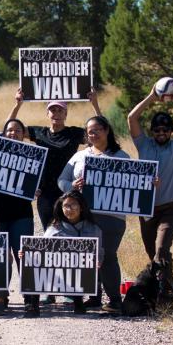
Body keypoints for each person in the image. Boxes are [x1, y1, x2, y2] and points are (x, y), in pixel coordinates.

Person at [127, 86, 173, 303]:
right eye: (157, 130)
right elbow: (132, 117)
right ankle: (171, 289)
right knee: (155, 256)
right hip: (146, 208)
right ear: (152, 131)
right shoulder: (143, 145)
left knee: (161, 249)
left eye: (165, 130)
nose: (161, 134)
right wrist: (151, 96)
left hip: (170, 208)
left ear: (171, 132)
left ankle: (166, 296)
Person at [58, 116, 128, 313]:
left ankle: (115, 299)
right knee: (88, 257)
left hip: (112, 217)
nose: (93, 134)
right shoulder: (79, 156)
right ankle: (95, 298)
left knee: (107, 255)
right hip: (85, 216)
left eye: (97, 129)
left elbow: (135, 186)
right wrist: (71, 186)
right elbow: (61, 180)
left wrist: (151, 185)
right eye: (89, 131)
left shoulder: (121, 157)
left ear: (107, 130)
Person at [9, 88, 102, 229]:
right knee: (50, 232)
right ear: (47, 113)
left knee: (71, 231)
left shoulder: (74, 133)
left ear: (66, 114)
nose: (56, 114)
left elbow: (102, 132)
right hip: (45, 194)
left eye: (60, 110)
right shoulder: (40, 133)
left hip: (69, 191)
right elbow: (10, 130)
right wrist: (17, 105)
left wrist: (95, 104)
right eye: (53, 110)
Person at [0, 119, 38, 315]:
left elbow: (38, 182)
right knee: (0, 257)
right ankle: (1, 297)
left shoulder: (32, 156)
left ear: (23, 134)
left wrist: (37, 189)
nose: (13, 133)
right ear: (3, 133)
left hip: (21, 213)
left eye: (18, 130)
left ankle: (30, 298)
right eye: (9, 130)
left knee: (23, 256)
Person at [37, 191, 104, 317]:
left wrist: (98, 261)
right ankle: (36, 303)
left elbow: (100, 252)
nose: (69, 209)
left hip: (85, 275)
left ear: (81, 207)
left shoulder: (94, 229)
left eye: (73, 205)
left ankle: (88, 299)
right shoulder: (53, 230)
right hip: (58, 275)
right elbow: (42, 254)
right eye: (65, 206)